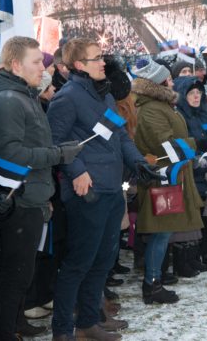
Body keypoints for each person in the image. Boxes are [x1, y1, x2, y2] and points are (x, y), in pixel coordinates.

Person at [47, 38, 161, 340]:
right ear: (79, 65)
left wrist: (138, 163)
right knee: (78, 263)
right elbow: (56, 144)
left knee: (103, 261)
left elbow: (121, 137)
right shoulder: (67, 98)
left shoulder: (105, 96)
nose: (104, 63)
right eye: (97, 58)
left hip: (112, 188)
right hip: (87, 192)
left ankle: (88, 323)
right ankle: (62, 330)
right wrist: (78, 171)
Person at [0, 36, 84, 341]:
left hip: (31, 196)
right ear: (16, 65)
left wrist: (46, 194)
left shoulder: (23, 95)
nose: (44, 67)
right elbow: (10, 154)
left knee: (21, 274)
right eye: (37, 61)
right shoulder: (8, 100)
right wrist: (59, 154)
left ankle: (13, 327)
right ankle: (4, 333)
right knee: (15, 275)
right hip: (18, 200)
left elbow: (33, 145)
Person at [131, 59, 203, 304]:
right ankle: (152, 284)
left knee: (163, 232)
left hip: (169, 177)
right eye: (169, 78)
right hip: (161, 178)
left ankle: (155, 281)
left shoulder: (161, 106)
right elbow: (166, 144)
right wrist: (198, 144)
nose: (172, 82)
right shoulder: (152, 109)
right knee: (160, 233)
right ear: (159, 82)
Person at [174, 76, 207, 267]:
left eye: (199, 93)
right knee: (192, 217)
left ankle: (206, 253)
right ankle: (190, 257)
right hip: (191, 172)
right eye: (191, 93)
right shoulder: (179, 116)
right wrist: (199, 160)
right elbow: (180, 143)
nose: (196, 97)